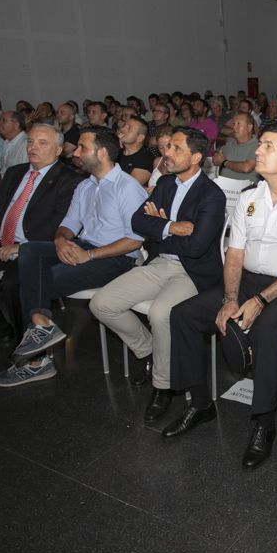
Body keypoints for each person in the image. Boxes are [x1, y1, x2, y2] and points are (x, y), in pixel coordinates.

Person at [164, 124, 277, 470]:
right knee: (184, 315)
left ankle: (263, 424)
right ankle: (199, 403)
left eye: (267, 146)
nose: (257, 151)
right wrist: (230, 298)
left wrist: (261, 300)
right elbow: (235, 254)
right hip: (253, 280)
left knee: (269, 328)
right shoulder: (250, 197)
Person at [90, 127, 226, 422]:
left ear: (196, 157)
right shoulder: (165, 183)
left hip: (193, 272)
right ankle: (150, 351)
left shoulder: (212, 195)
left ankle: (162, 386)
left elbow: (198, 246)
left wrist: (161, 226)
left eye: (176, 148)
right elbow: (138, 221)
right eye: (167, 147)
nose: (166, 153)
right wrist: (171, 226)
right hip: (159, 263)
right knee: (101, 303)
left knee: (161, 313)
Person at [0, 126, 147, 388]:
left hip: (117, 257)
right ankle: (41, 325)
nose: (75, 152)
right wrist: (60, 240)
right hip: (84, 246)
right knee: (30, 250)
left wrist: (88, 254)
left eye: (82, 147)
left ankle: (36, 361)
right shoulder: (86, 185)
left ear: (100, 153)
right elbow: (68, 223)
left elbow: (135, 240)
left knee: (36, 281)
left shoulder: (128, 188)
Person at [0, 124, 81, 350]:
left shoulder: (68, 180)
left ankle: (27, 346)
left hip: (35, 249)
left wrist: (23, 247)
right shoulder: (15, 172)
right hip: (0, 244)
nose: (32, 148)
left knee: (12, 284)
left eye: (42, 143)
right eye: (30, 142)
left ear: (58, 150)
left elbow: (61, 224)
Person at [212, 112, 259, 182]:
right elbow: (218, 153)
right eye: (234, 124)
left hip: (244, 189)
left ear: (249, 127)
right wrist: (216, 156)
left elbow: (247, 168)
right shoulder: (230, 142)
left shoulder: (257, 145)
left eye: (238, 124)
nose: (234, 127)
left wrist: (224, 162)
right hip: (224, 186)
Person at [116, 116, 155, 186]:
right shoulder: (116, 151)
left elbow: (129, 187)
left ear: (139, 138)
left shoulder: (146, 158)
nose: (122, 129)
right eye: (124, 125)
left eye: (128, 128)